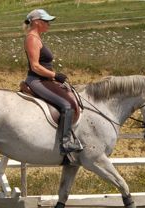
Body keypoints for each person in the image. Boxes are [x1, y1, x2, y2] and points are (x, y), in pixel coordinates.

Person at [23, 9, 83, 154]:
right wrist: (55, 75)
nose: (49, 24)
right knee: (66, 105)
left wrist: (53, 76)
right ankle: (65, 143)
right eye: (46, 21)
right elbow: (35, 66)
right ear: (37, 22)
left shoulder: (37, 38)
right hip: (37, 80)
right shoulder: (32, 38)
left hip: (45, 80)